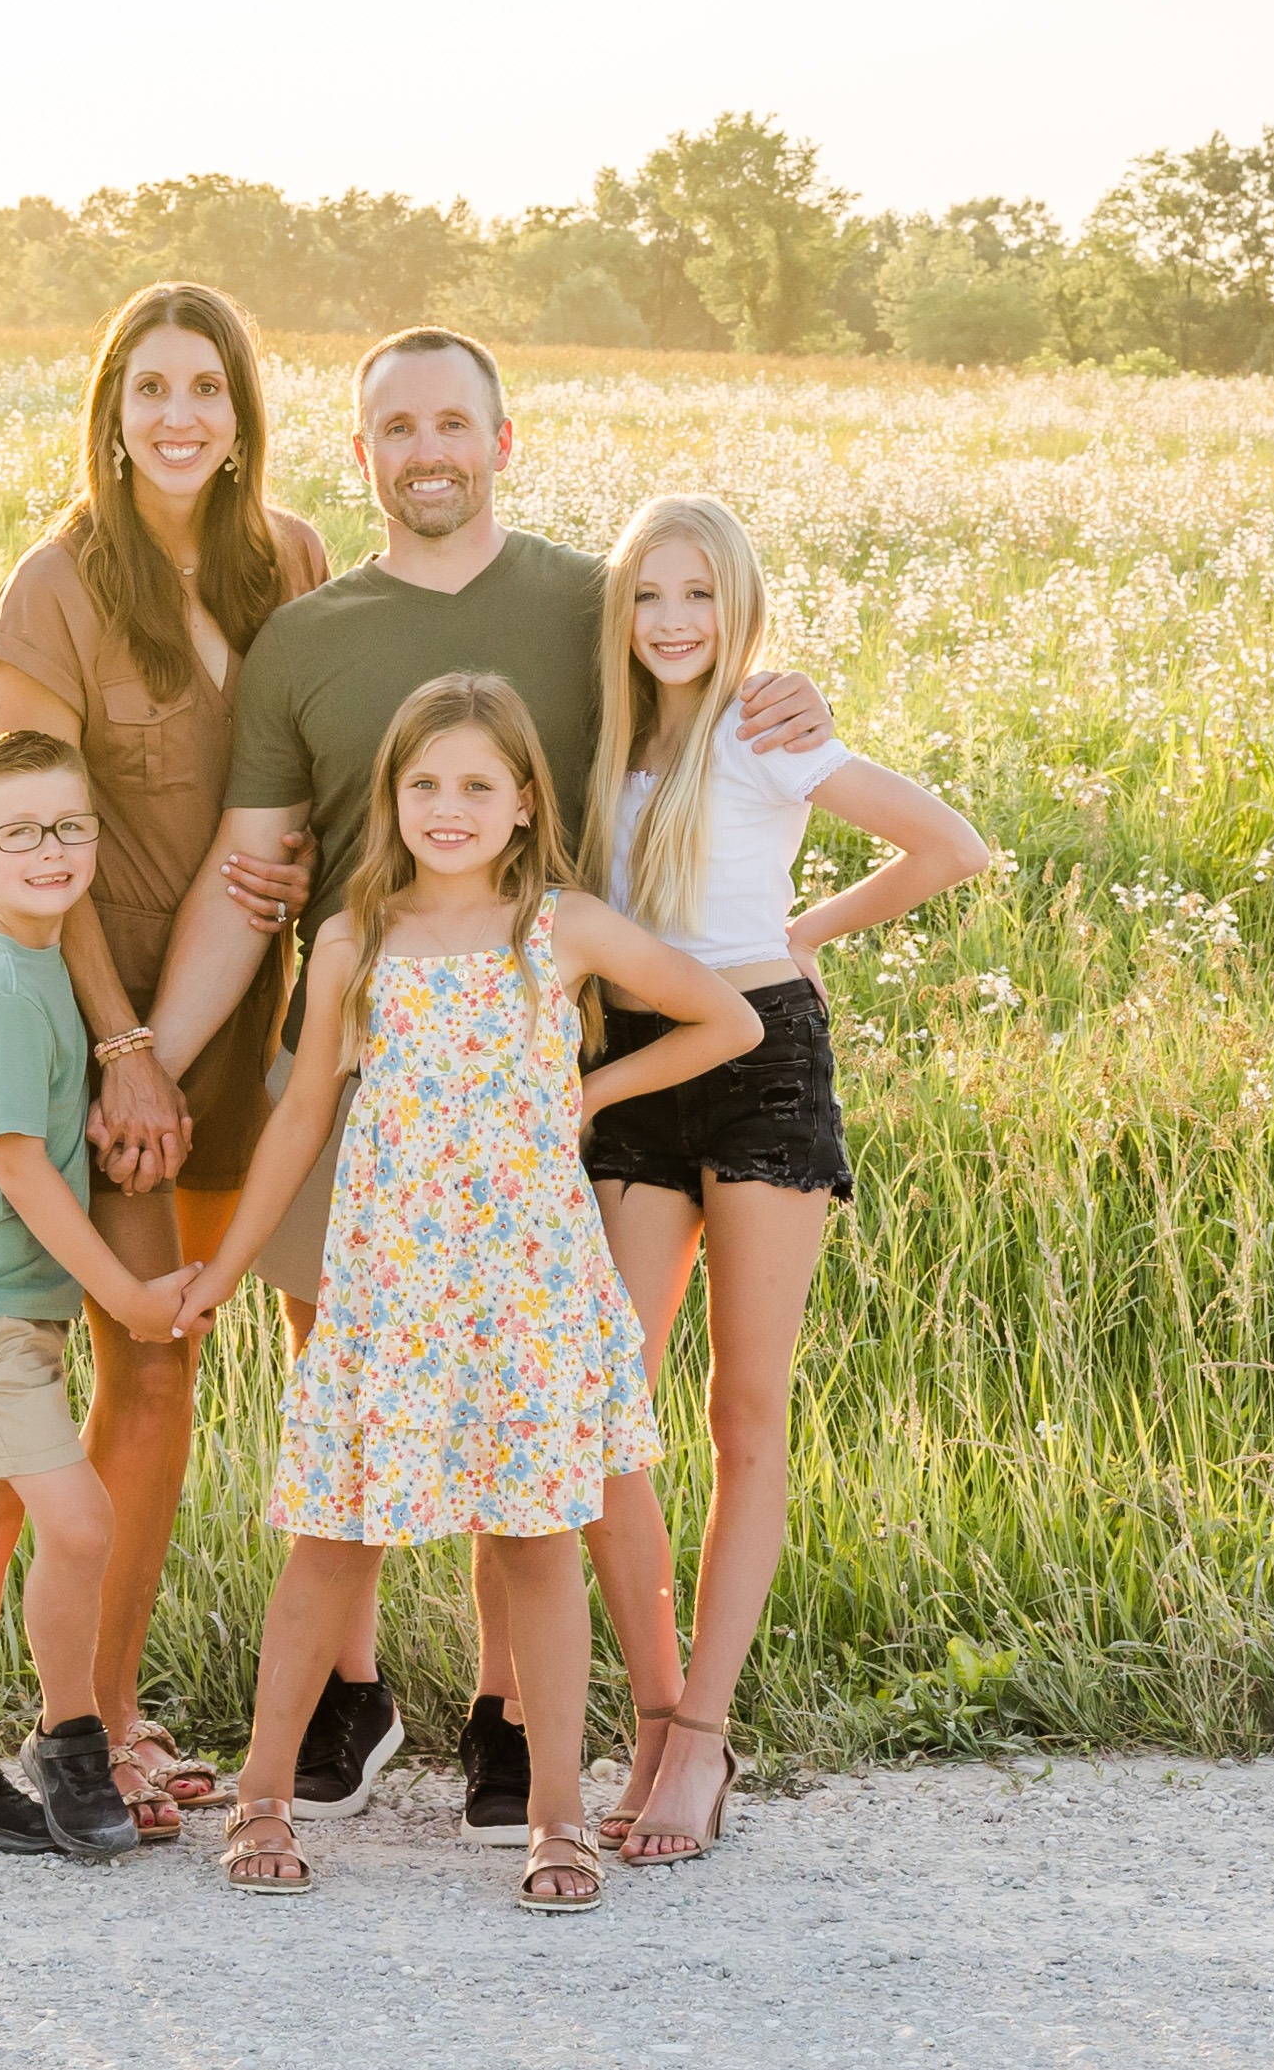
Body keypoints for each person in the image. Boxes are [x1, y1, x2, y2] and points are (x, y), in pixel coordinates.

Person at [139, 325, 828, 1834]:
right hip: (376, 1070)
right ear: (365, 448)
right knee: (371, 1404)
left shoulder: (586, 601)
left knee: (540, 1427)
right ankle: (349, 1697)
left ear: (502, 441)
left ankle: (527, 1724)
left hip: (551, 1073)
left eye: (455, 421)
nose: (428, 449)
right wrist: (147, 1054)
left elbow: (695, 671)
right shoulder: (310, 638)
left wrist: (794, 705)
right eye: (398, 427)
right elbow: (251, 869)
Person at [173, 674, 759, 1912]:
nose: (448, 806)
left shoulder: (562, 927)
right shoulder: (354, 936)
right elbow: (298, 1126)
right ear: (391, 797)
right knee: (332, 1539)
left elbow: (726, 1019)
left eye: (476, 785)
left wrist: (591, 1095)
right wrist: (223, 1267)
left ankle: (556, 1815)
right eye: (423, 783)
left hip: (527, 1290)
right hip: (389, 1287)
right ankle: (263, 1793)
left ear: (522, 800)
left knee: (537, 1538)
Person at [572, 494, 991, 1865]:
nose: (674, 621)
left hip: (763, 1063)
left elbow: (945, 845)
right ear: (620, 614)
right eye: (648, 596)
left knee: (742, 1410)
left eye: (698, 595)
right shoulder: (603, 746)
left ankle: (702, 1732)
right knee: (602, 1413)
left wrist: (803, 927)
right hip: (636, 1065)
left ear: (738, 606)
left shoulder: (766, 735)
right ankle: (646, 1704)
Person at [0, 282, 332, 1837]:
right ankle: (97, 1716)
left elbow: (336, 767)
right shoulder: (55, 585)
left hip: (267, 1010)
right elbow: (35, 835)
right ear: (110, 409)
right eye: (151, 387)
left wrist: (321, 867)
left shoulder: (294, 562)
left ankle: (336, 1702)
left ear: (242, 412)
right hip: (102, 1013)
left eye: (208, 387)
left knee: (320, 1340)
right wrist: (122, 1047)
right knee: (151, 1357)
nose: (180, 415)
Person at [0, 730, 200, 1862]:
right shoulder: (4, 985)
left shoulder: (30, 950)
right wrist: (127, 1291)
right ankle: (72, 1738)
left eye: (70, 825)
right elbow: (19, 1163)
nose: (50, 849)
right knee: (79, 1519)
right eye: (17, 832)